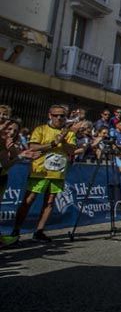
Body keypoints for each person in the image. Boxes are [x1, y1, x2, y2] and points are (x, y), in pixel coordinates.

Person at [3, 104, 78, 244]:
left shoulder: (70, 133)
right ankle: (16, 231)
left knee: (49, 202)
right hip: (40, 171)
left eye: (62, 116)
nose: (60, 118)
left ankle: (39, 231)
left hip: (58, 172)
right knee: (28, 200)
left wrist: (62, 141)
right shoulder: (41, 129)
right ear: (50, 115)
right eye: (56, 115)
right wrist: (52, 144)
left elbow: (72, 150)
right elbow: (32, 147)